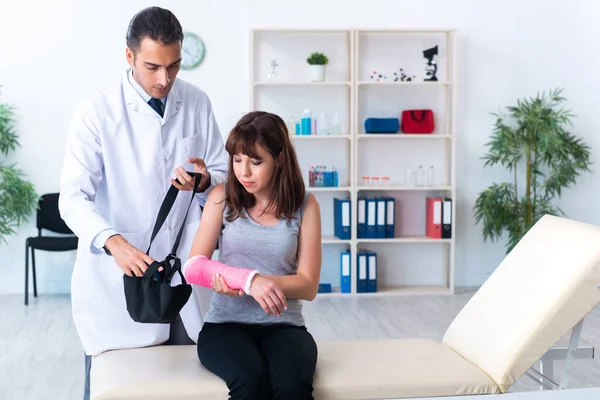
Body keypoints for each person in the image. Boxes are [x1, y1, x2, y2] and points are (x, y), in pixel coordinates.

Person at [58, 6, 228, 400]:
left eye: (174, 66)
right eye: (153, 66)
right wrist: (113, 242)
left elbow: (220, 172)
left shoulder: (197, 102)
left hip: (183, 273)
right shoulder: (96, 111)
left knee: (188, 385)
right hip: (117, 282)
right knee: (118, 389)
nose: (164, 78)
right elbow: (73, 197)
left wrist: (204, 179)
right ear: (130, 56)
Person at [183, 111, 322, 400]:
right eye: (236, 160)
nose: (243, 172)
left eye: (255, 162)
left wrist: (256, 282)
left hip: (284, 326)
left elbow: (308, 285)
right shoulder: (221, 197)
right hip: (224, 327)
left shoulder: (305, 205)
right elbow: (195, 267)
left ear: (279, 159)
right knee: (250, 382)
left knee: (293, 388)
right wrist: (248, 281)